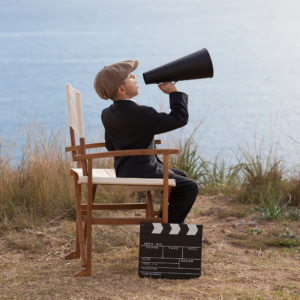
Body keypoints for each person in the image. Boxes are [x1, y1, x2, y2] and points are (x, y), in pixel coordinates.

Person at [94, 60, 199, 224]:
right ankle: (163, 232)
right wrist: (174, 93)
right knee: (190, 187)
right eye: (130, 76)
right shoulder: (142, 113)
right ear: (121, 90)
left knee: (181, 177)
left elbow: (111, 146)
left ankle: (163, 220)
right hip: (141, 171)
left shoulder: (107, 113)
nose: (134, 76)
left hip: (123, 171)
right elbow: (179, 119)